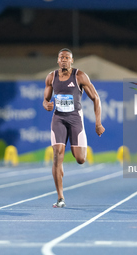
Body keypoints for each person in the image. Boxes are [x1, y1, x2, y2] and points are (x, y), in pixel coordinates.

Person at [43, 48, 105, 208]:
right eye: (61, 57)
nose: (64, 60)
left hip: (76, 119)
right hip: (58, 119)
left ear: (72, 60)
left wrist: (98, 123)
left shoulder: (79, 76)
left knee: (80, 159)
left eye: (67, 58)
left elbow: (96, 98)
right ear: (57, 60)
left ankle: (69, 152)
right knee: (57, 155)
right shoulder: (51, 77)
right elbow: (45, 99)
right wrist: (46, 105)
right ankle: (60, 197)